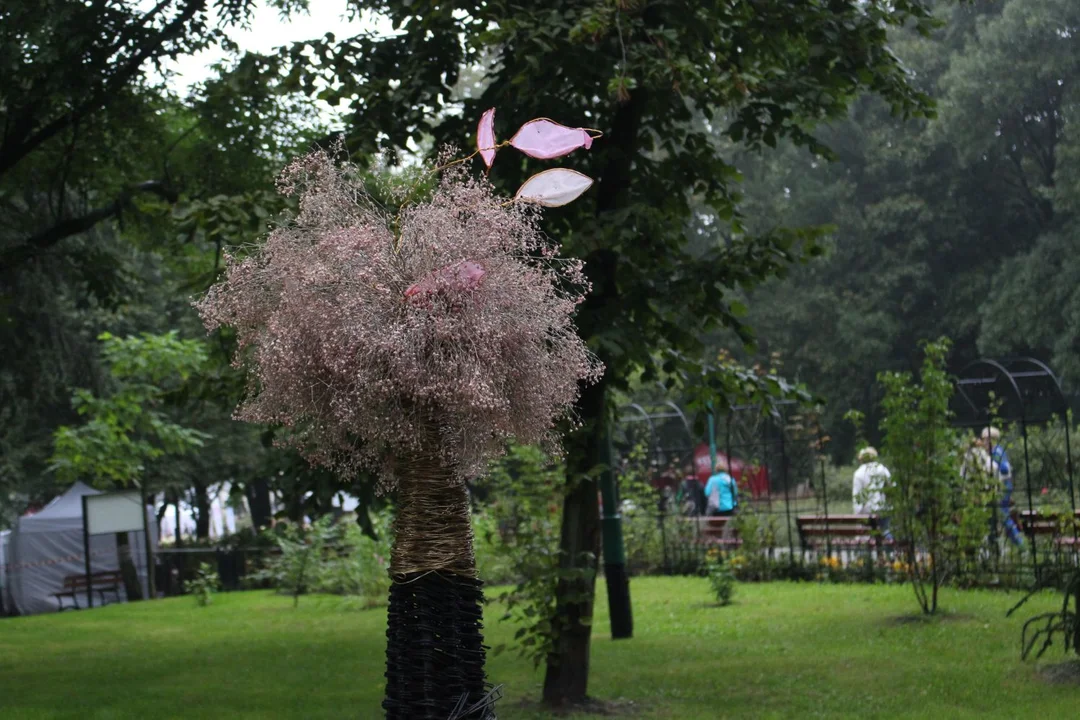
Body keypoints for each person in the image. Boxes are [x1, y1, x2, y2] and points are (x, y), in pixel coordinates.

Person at [982, 426, 1023, 547]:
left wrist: (993, 465)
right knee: (991, 518)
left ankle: (1021, 545)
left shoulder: (997, 452)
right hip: (995, 489)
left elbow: (1005, 469)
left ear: (991, 439)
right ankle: (992, 547)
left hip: (1002, 488)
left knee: (1003, 516)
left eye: (984, 439)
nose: (983, 442)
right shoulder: (992, 452)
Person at [852, 446, 892, 539]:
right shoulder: (882, 469)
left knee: (869, 535)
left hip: (867, 512)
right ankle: (890, 548)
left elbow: (857, 497)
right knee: (885, 532)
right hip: (884, 509)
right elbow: (892, 487)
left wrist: (858, 514)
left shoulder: (858, 473)